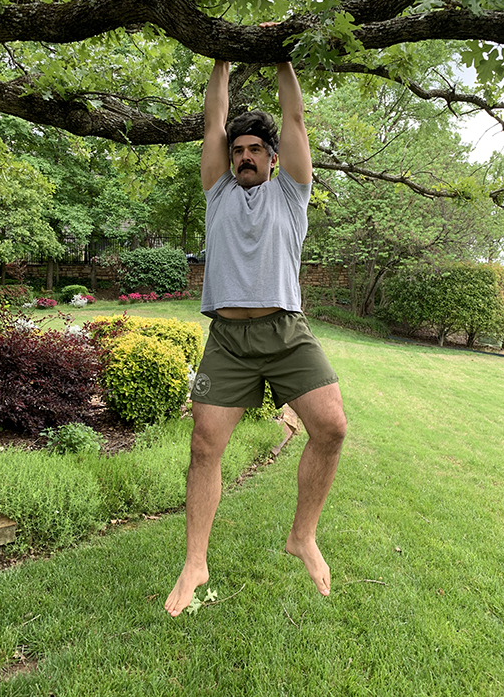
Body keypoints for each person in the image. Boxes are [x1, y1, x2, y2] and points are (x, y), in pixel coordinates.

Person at [164, 57, 347, 617]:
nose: (243, 156)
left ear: (272, 160)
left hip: (286, 331)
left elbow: (294, 115)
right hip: (227, 339)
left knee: (332, 427)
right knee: (203, 446)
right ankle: (196, 561)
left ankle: (303, 536)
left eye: (253, 150)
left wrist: (285, 59)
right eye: (237, 149)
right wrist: (220, 58)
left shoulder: (291, 195)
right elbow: (213, 116)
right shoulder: (217, 193)